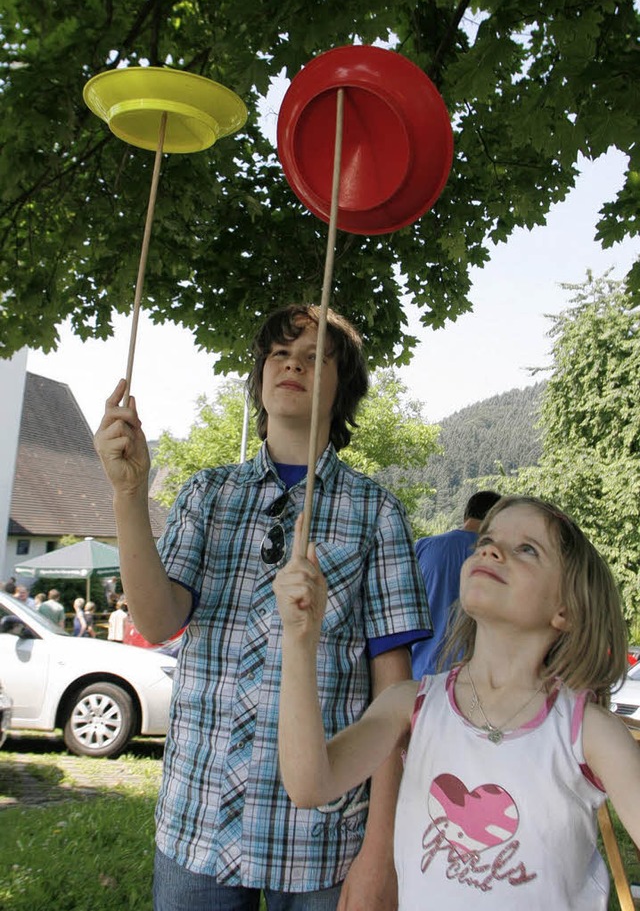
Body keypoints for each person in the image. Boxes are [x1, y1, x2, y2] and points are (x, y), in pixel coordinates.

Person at [93, 304, 431, 911]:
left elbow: (394, 698)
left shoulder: (376, 514)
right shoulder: (207, 494)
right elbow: (157, 619)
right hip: (197, 823)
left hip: (324, 835)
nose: (292, 364)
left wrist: (382, 847)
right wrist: (128, 494)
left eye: (314, 357)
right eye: (280, 353)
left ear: (343, 391)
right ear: (259, 376)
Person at [277, 495, 640, 910]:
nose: (489, 549)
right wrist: (299, 637)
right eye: (486, 539)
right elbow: (309, 785)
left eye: (526, 549)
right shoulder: (409, 706)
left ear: (566, 609)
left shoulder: (588, 732)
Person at [411, 490, 501, 679]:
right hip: (469, 679)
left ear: (466, 514)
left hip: (417, 672)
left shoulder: (424, 547)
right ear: (497, 519)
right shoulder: (497, 558)